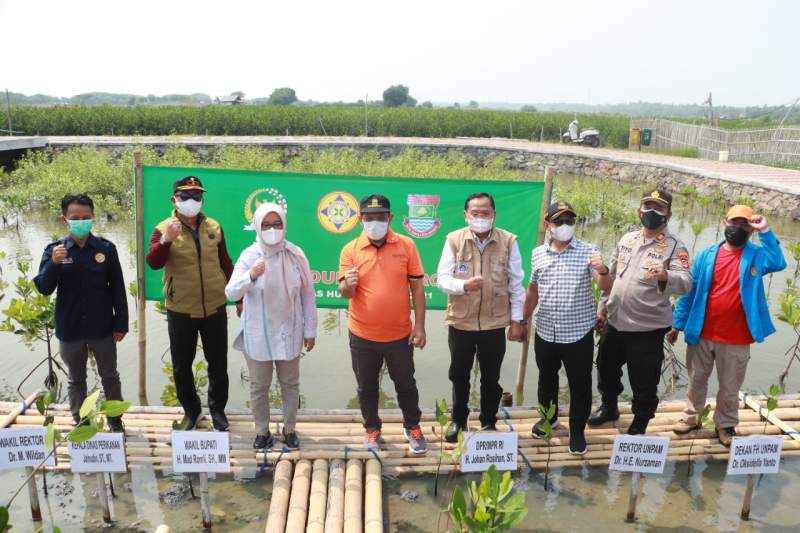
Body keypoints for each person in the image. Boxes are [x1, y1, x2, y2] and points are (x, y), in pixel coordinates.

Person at [669, 205, 786, 446]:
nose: (738, 228)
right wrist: (677, 324)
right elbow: (689, 293)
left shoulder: (756, 255)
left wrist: (764, 230)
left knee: (730, 387)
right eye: (735, 222)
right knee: (696, 380)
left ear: (750, 229)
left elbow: (779, 262)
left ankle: (726, 425)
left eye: (744, 224)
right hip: (701, 333)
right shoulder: (706, 255)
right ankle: (691, 417)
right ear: (725, 223)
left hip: (737, 337)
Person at [588, 189, 692, 434]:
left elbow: (686, 282)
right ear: (639, 209)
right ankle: (609, 407)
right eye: (648, 205)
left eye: (659, 208)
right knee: (606, 370)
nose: (652, 212)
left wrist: (667, 274)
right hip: (615, 321)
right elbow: (611, 280)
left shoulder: (676, 247)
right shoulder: (627, 240)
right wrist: (602, 311)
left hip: (647, 328)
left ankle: (640, 421)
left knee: (644, 381)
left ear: (668, 214)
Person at [338, 194, 428, 453]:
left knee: (406, 384)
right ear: (360, 220)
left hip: (399, 334)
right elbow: (345, 293)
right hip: (362, 335)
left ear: (390, 218)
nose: (374, 222)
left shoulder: (406, 245)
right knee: (366, 387)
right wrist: (348, 285)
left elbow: (417, 288)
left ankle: (412, 426)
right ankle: (372, 428)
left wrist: (419, 326)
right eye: (369, 218)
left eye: (380, 217)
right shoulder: (350, 250)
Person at [225, 202, 317, 450]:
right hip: (259, 333)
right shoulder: (249, 256)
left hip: (290, 330)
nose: (272, 229)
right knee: (259, 386)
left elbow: (308, 294)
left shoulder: (295, 254)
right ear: (256, 225)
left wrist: (310, 331)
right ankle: (262, 430)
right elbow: (231, 292)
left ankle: (289, 429)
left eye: (277, 224)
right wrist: (251, 275)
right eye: (266, 224)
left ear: (284, 225)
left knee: (290, 383)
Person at [522, 201, 611, 454]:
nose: (564, 226)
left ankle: (577, 431)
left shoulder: (588, 251)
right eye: (559, 221)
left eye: (569, 222)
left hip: (578, 333)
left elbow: (606, 286)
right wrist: (522, 319)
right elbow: (533, 290)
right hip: (546, 330)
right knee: (546, 379)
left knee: (579, 384)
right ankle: (548, 419)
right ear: (548, 225)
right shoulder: (538, 253)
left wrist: (603, 269)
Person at [33, 193, 128, 432]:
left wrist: (121, 323)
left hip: (103, 327)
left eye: (86, 217)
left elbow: (117, 287)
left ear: (93, 217)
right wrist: (54, 264)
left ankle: (115, 421)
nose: (81, 221)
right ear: (65, 220)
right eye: (75, 217)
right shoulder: (54, 250)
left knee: (110, 376)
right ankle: (81, 422)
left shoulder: (106, 249)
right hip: (70, 328)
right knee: (76, 380)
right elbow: (44, 288)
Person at [436, 192, 526, 443]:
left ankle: (489, 422)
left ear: (494, 215)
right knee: (459, 374)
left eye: (485, 213)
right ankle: (458, 420)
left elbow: (517, 284)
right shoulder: (454, 240)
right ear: (466, 215)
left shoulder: (508, 241)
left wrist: (517, 321)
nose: (480, 217)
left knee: (491, 377)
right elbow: (442, 280)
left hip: (494, 322)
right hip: (461, 321)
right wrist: (463, 286)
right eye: (475, 213)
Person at [146, 176, 234, 431]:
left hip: (215, 306)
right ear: (174, 200)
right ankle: (191, 411)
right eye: (186, 197)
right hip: (181, 309)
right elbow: (154, 262)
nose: (192, 201)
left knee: (218, 363)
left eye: (197, 196)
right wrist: (166, 240)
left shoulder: (214, 227)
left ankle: (218, 411)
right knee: (181, 365)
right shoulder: (163, 228)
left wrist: (237, 295)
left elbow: (225, 262)